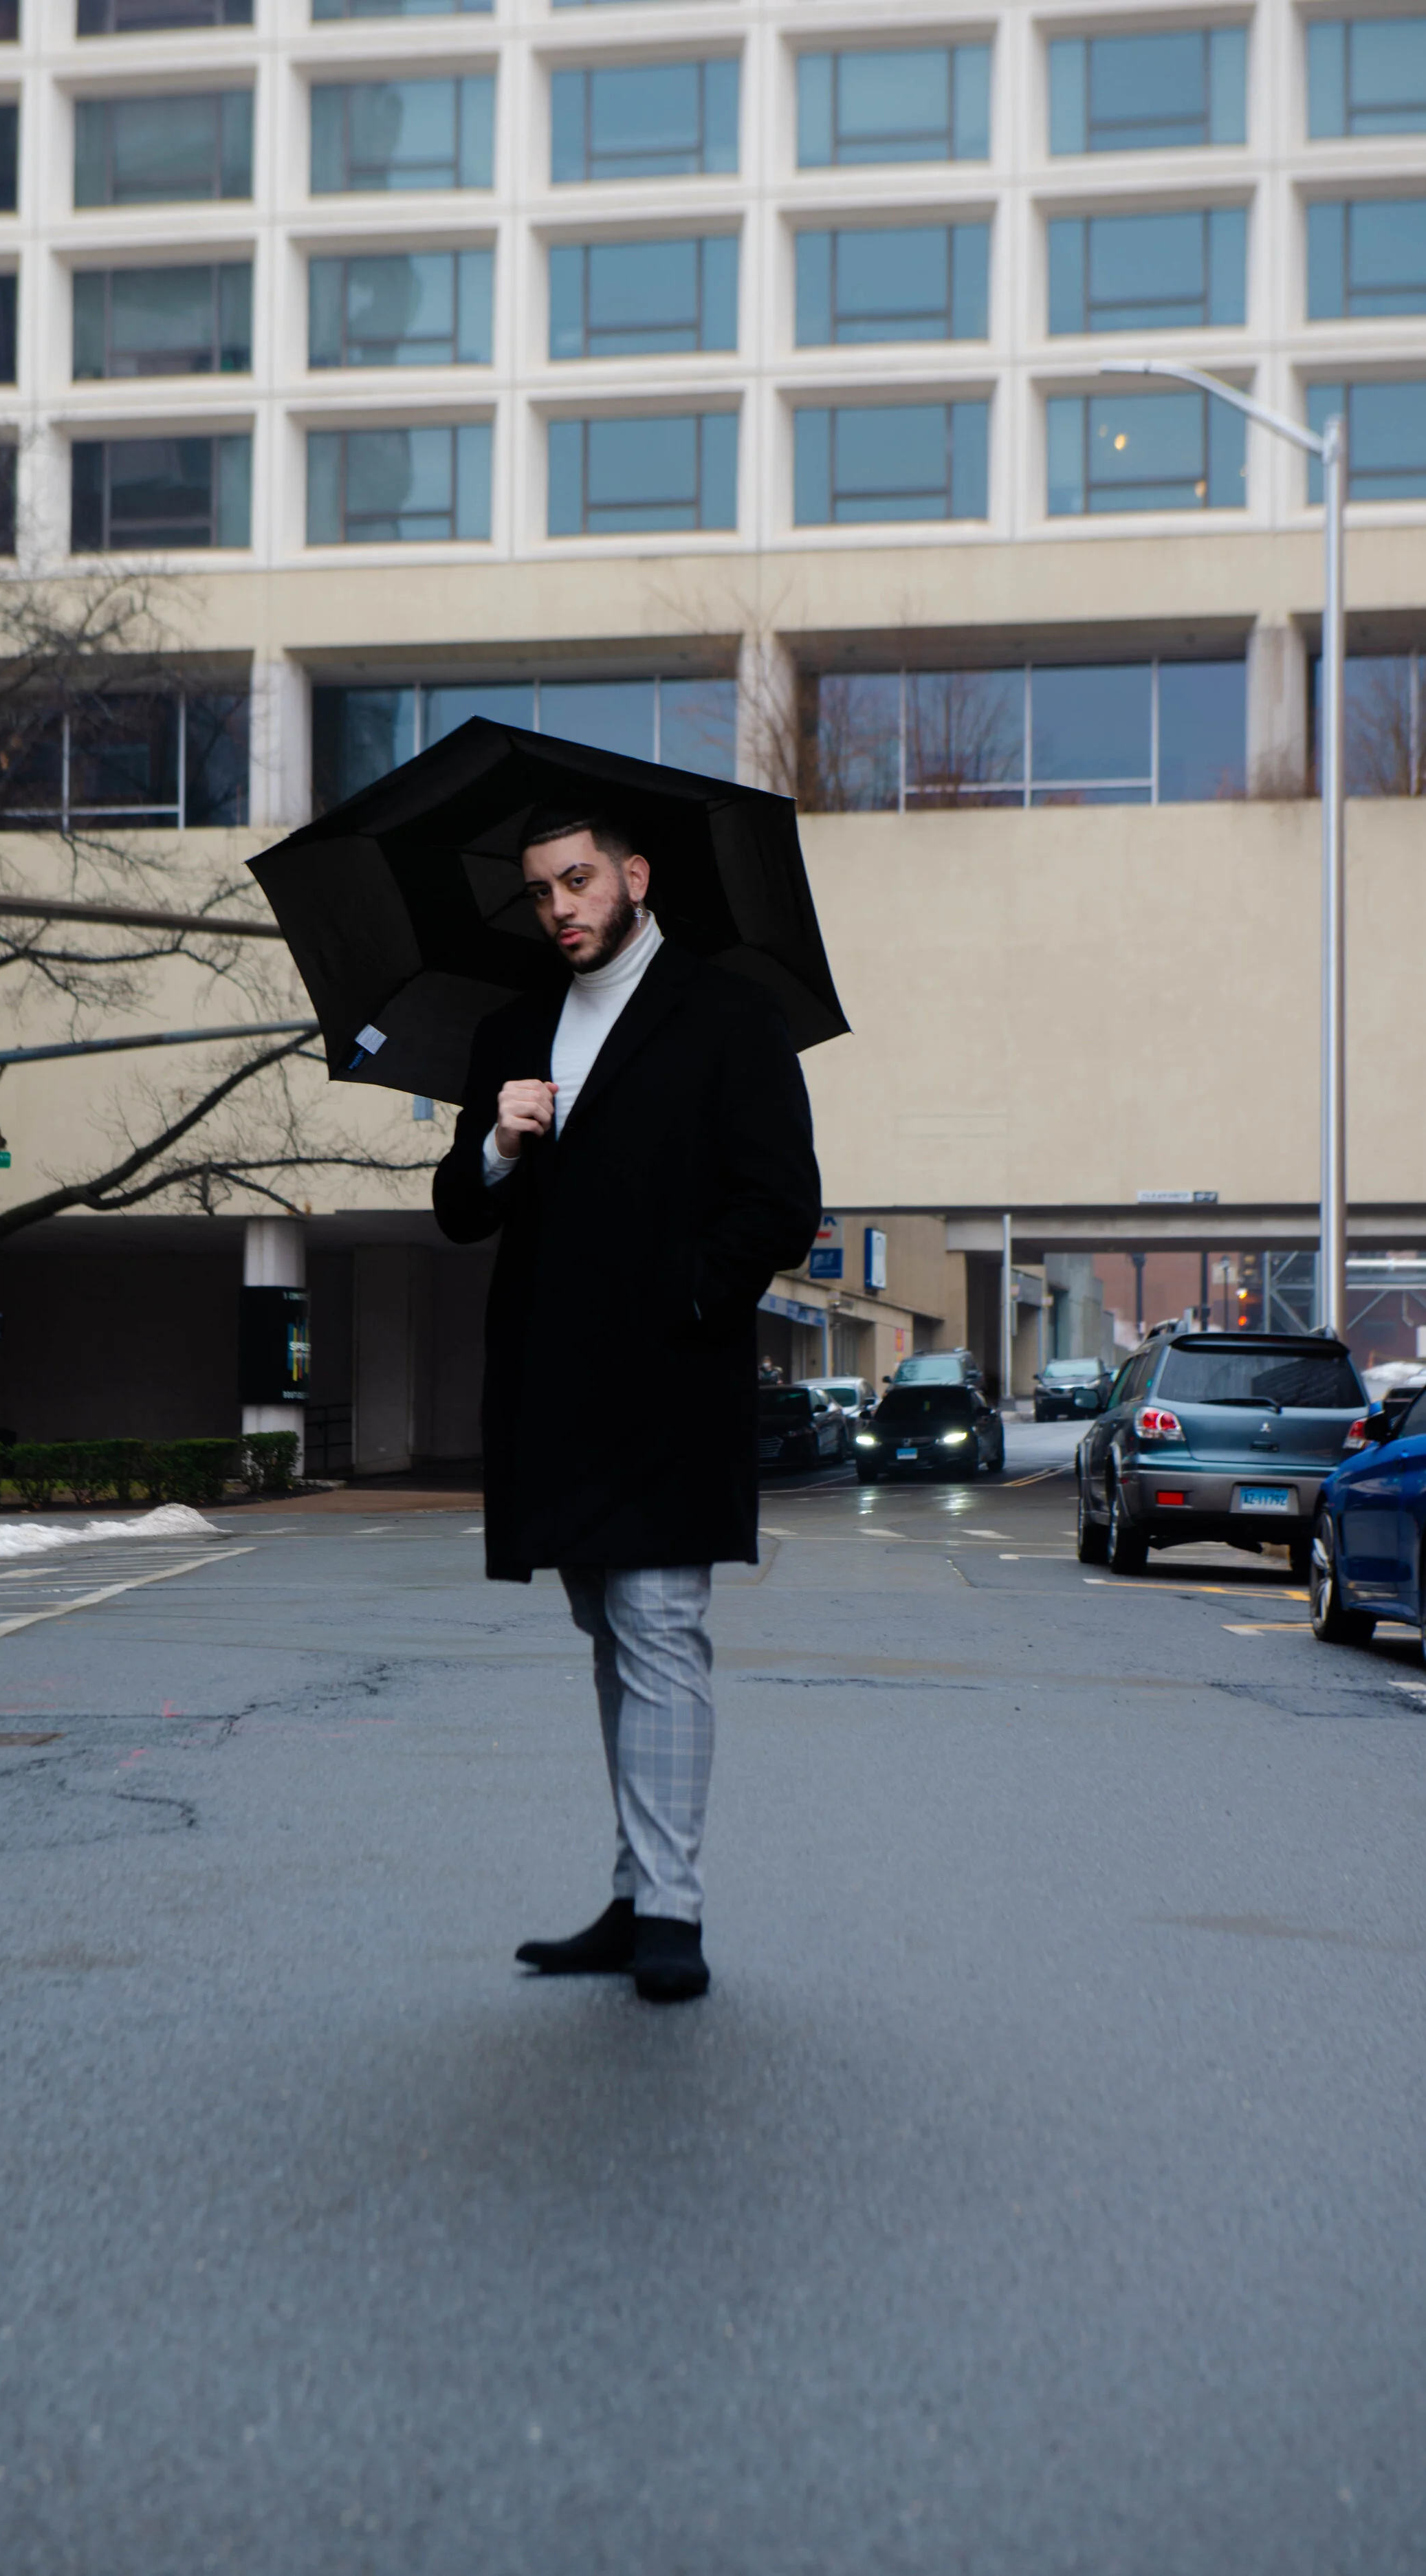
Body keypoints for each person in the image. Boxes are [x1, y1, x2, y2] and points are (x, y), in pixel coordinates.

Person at [433, 806, 821, 2003]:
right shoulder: (514, 1031)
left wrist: (684, 1293)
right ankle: (635, 1888)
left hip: (669, 1380)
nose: (560, 907)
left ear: (634, 878)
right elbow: (458, 1208)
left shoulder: (728, 1018)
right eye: (543, 889)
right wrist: (498, 1141)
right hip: (554, 1390)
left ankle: (674, 1913)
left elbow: (783, 1202)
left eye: (580, 879)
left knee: (661, 1628)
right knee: (608, 1631)